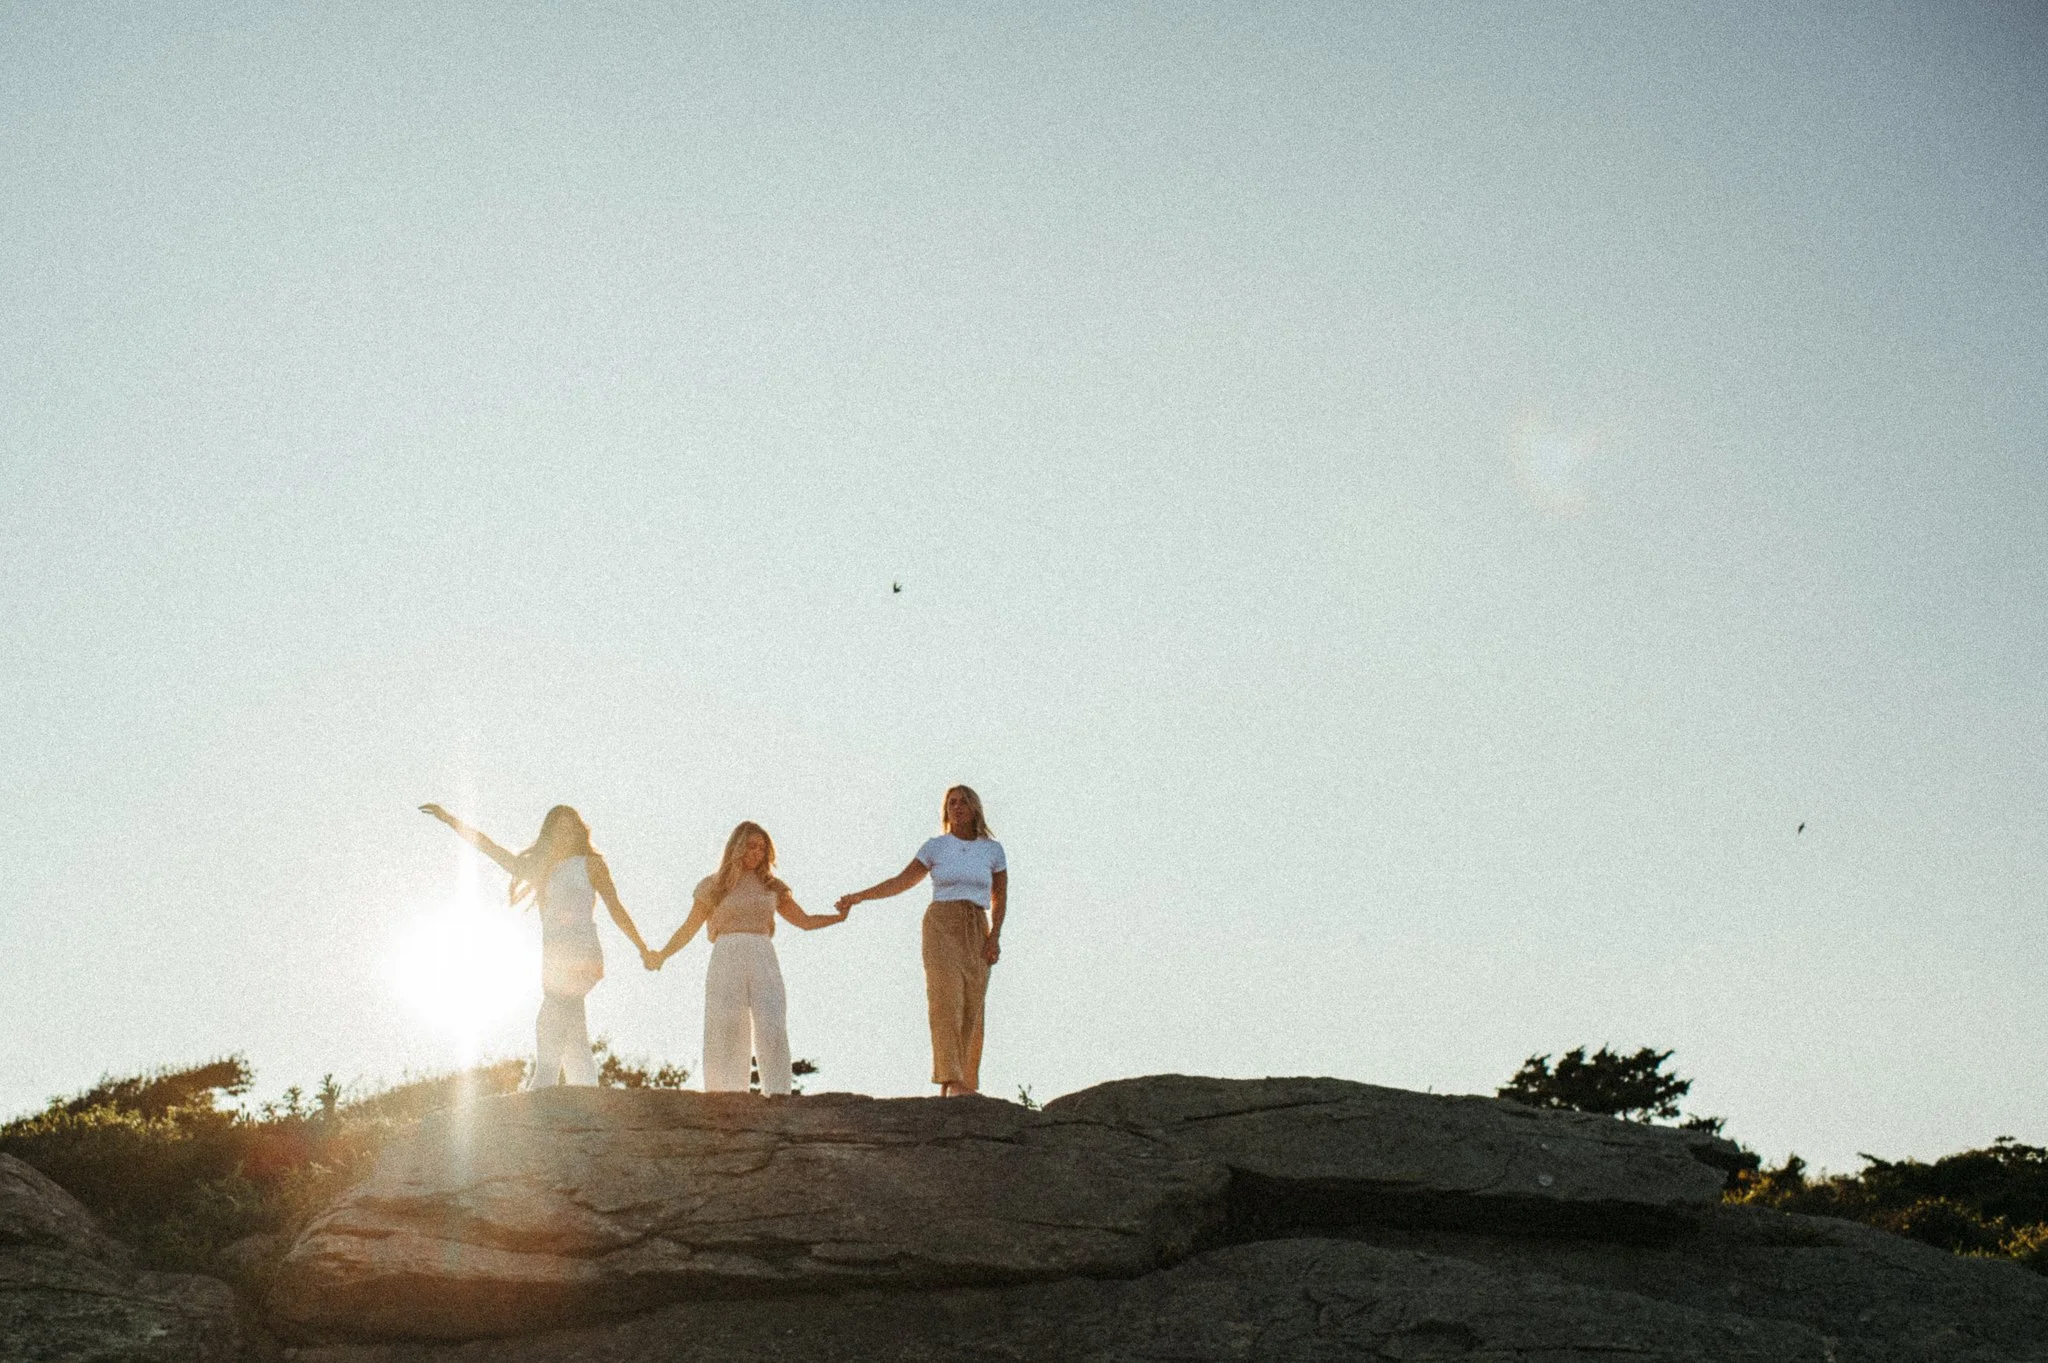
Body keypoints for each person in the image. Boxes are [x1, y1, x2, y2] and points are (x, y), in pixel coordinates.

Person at [419, 803, 657, 1087]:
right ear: (549, 835)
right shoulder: (540, 870)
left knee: (549, 1022)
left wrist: (642, 947)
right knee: (574, 1037)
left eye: (571, 830)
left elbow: (616, 908)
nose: (565, 836)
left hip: (582, 952)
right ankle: (587, 1096)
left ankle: (540, 1090)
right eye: (559, 830)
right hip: (554, 959)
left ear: (579, 832)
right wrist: (450, 820)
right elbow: (493, 850)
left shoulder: (590, 865)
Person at [651, 821, 845, 1096]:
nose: (757, 853)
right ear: (737, 847)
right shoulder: (713, 885)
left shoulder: (773, 886)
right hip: (726, 953)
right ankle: (725, 1096)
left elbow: (805, 921)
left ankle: (778, 1094)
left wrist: (838, 917)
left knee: (772, 1022)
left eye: (763, 849)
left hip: (763, 953)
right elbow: (688, 928)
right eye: (752, 846)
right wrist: (662, 954)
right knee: (726, 1025)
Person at [836, 786, 1006, 1097]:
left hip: (976, 925)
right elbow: (901, 881)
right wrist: (860, 896)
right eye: (951, 803)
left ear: (975, 808)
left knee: (973, 1003)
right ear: (945, 811)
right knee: (946, 1000)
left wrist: (994, 936)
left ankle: (963, 1083)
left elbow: (1000, 898)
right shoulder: (936, 847)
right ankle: (950, 1078)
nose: (957, 807)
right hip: (941, 923)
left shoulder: (992, 850)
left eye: (963, 802)